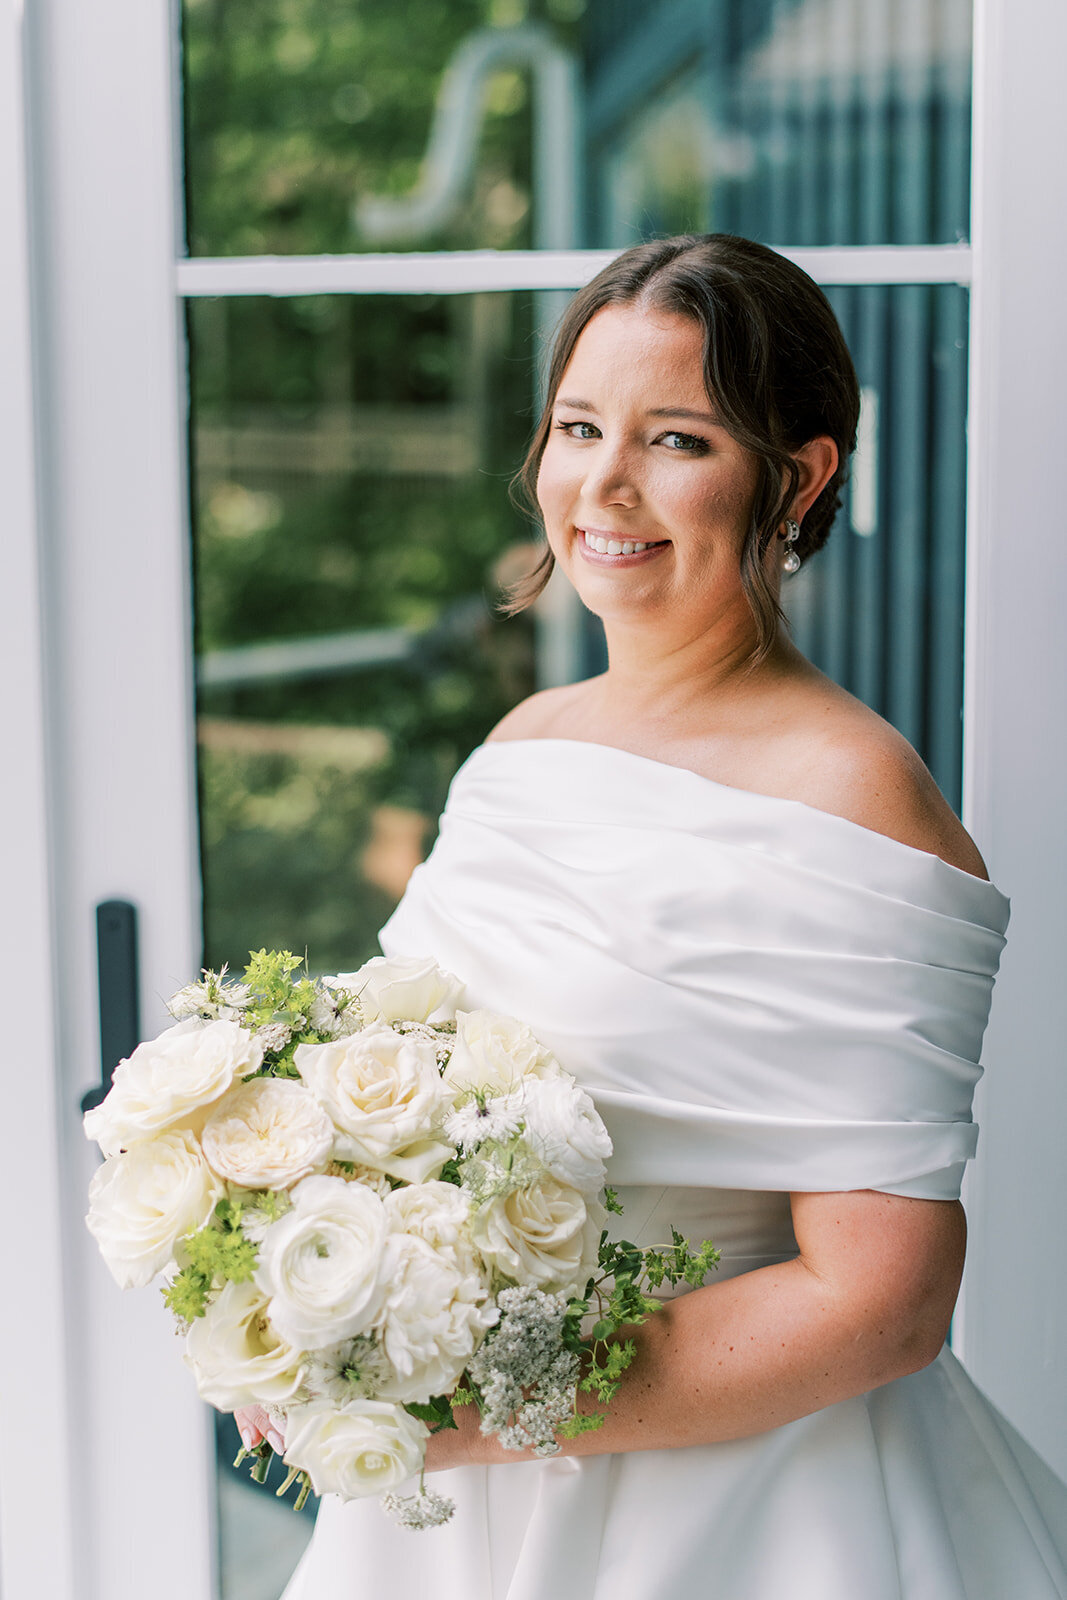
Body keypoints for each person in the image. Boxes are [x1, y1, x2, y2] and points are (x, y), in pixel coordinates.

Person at [251, 234, 1067, 1597]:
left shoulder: (856, 797)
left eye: (675, 438)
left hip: (740, 1515)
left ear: (796, 475)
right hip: (445, 1511)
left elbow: (886, 1301)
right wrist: (299, 1322)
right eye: (579, 427)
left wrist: (495, 1411)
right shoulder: (522, 745)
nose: (602, 485)